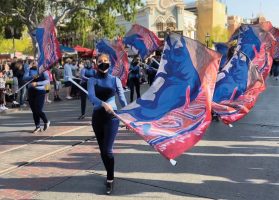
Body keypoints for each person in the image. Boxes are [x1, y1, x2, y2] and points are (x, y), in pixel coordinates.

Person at [88, 53, 127, 195]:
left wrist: (128, 117)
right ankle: (109, 172)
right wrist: (102, 103)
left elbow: (122, 100)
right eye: (100, 61)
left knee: (108, 150)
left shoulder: (115, 80)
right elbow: (91, 96)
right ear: (96, 63)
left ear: (109, 63)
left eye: (105, 61)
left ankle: (110, 178)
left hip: (112, 118)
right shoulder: (92, 80)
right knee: (102, 150)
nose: (103, 63)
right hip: (97, 117)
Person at [23, 62, 50, 133]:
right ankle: (37, 126)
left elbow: (47, 80)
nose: (34, 63)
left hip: (40, 91)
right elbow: (24, 78)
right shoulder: (28, 69)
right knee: (34, 111)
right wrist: (32, 77)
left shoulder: (42, 70)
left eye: (35, 62)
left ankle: (46, 121)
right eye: (32, 62)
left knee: (38, 110)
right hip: (31, 91)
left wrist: (37, 83)